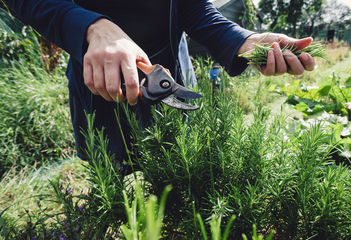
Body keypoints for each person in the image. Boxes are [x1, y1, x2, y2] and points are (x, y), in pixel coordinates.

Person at [4, 0, 315, 166]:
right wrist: (90, 27)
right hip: (100, 78)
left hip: (169, 77)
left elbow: (192, 8)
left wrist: (244, 40)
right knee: (111, 183)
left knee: (179, 169)